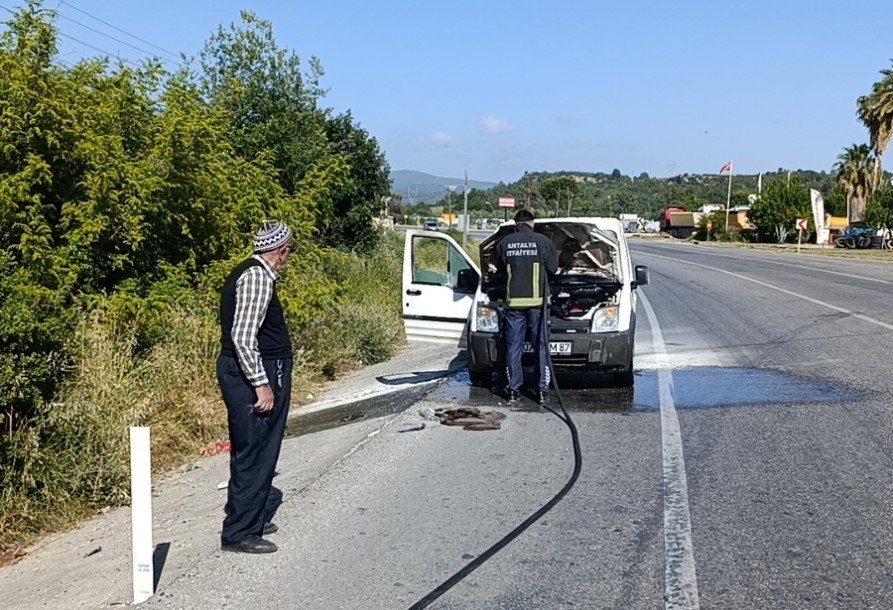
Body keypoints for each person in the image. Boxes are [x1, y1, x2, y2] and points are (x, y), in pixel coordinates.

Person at [217, 220, 294, 554]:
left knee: (255, 446)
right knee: (257, 450)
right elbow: (243, 336)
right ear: (280, 250)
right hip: (253, 372)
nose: (287, 257)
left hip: (253, 370)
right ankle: (239, 532)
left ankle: (249, 516)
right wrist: (262, 384)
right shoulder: (257, 277)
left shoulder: (251, 273)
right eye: (287, 251)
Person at [495, 209, 558, 405]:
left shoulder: (504, 243)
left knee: (514, 346)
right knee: (540, 346)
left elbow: (499, 271)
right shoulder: (542, 241)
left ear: (516, 224)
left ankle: (513, 391)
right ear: (532, 222)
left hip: (514, 304)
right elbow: (553, 269)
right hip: (538, 304)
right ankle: (542, 391)